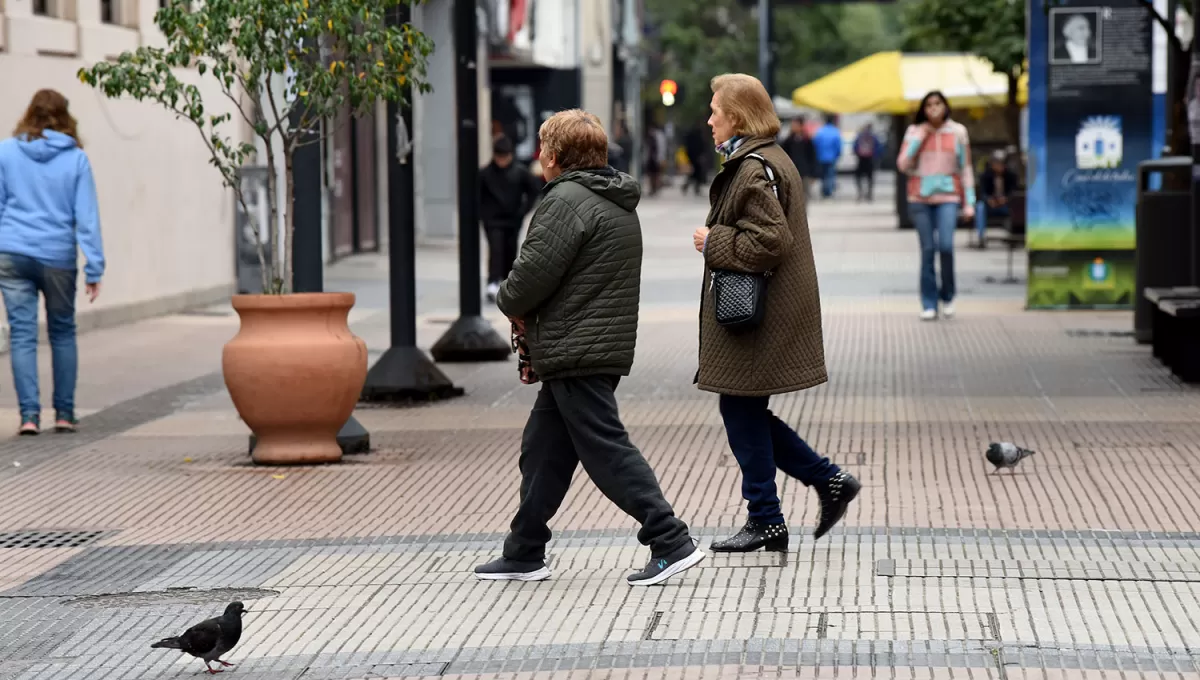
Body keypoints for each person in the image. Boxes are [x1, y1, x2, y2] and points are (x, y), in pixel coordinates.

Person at [476, 109, 705, 586]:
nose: (538, 156)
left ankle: (670, 538)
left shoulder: (565, 200)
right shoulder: (614, 198)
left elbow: (527, 280)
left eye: (542, 148)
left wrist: (506, 297)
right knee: (544, 449)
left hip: (574, 346)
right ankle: (524, 550)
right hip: (591, 343)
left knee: (605, 449)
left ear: (555, 156)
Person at [690, 74, 861, 554]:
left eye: (715, 110)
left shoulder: (753, 167)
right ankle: (814, 488)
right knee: (744, 408)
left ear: (738, 117)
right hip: (767, 311)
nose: (709, 119)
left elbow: (770, 240)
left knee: (740, 408)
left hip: (760, 317)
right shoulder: (764, 159)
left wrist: (713, 242)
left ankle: (772, 515)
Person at [0, 89, 104, 435]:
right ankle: (63, 413)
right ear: (65, 117)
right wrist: (95, 267)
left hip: (13, 253)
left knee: (23, 335)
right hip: (58, 256)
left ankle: (29, 417)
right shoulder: (76, 159)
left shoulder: (6, 152)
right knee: (61, 332)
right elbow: (86, 217)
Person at [897, 90, 975, 321]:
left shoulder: (958, 132)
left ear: (945, 106)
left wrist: (969, 202)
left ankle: (948, 296)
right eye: (929, 104)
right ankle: (929, 302)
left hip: (949, 196)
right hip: (920, 198)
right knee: (928, 249)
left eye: (937, 103)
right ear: (923, 108)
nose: (933, 108)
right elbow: (903, 164)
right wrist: (921, 136)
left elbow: (966, 167)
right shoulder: (914, 131)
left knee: (946, 246)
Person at [479, 136, 541, 302]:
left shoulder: (520, 172)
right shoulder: (485, 174)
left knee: (510, 249)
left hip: (513, 218)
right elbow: (477, 196)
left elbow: (534, 190)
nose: (502, 161)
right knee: (496, 248)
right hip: (492, 220)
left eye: (505, 157)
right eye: (499, 157)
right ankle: (493, 281)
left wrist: (523, 210)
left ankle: (507, 282)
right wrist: (483, 213)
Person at [974, 150, 1019, 248]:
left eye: (1000, 163)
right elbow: (983, 192)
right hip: (990, 205)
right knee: (980, 207)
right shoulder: (986, 175)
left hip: (1006, 205)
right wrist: (989, 200)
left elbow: (1013, 192)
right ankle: (981, 237)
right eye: (996, 163)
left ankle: (1015, 236)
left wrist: (1006, 199)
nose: (998, 166)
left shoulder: (1011, 176)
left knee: (1017, 207)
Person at [780, 117, 818, 197]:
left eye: (795, 125)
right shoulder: (788, 141)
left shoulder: (807, 140)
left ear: (801, 126)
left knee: (805, 194)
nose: (793, 127)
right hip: (791, 171)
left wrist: (813, 174)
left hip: (804, 171)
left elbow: (812, 157)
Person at [812, 114, 842, 199]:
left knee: (823, 175)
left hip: (821, 157)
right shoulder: (835, 131)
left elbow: (815, 144)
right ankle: (828, 191)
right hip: (831, 157)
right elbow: (838, 145)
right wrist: (838, 154)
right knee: (830, 174)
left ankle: (824, 190)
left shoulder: (820, 131)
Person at [852, 123, 881, 202]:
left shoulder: (860, 136)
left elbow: (854, 147)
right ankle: (869, 194)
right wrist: (876, 157)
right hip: (870, 159)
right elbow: (878, 148)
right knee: (870, 178)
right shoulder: (874, 136)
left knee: (858, 177)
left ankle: (860, 192)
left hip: (861, 159)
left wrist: (857, 154)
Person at [683, 122, 710, 196]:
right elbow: (701, 146)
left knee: (695, 172)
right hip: (697, 156)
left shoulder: (691, 135)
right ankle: (694, 187)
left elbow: (687, 146)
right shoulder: (699, 136)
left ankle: (689, 186)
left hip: (692, 156)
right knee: (696, 172)